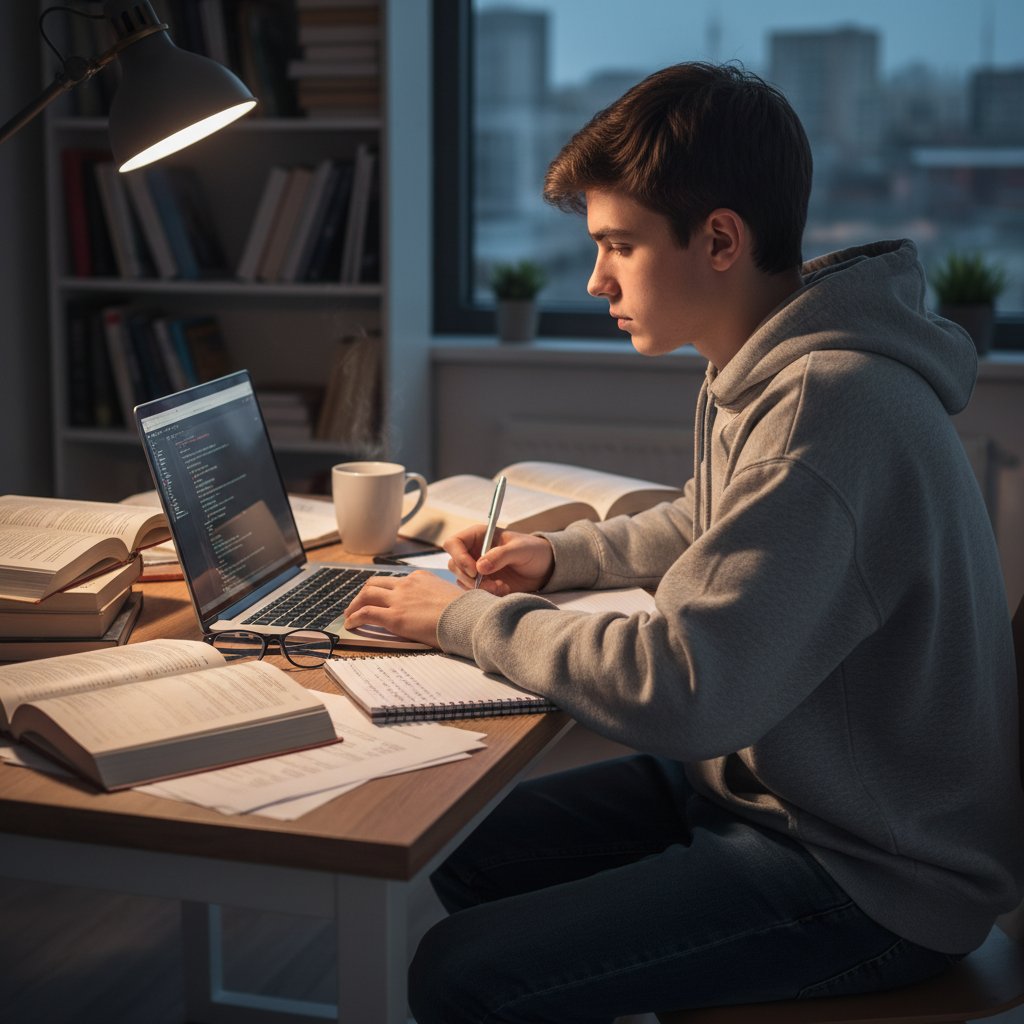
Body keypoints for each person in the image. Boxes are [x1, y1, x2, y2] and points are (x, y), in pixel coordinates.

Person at [344, 62, 1024, 1023]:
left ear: (719, 240)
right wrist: (564, 556)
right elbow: (710, 518)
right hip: (773, 792)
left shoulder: (826, 407)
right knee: (466, 842)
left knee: (460, 973)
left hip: (874, 871)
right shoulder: (768, 364)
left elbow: (686, 688)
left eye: (618, 246)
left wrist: (464, 621)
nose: (596, 280)